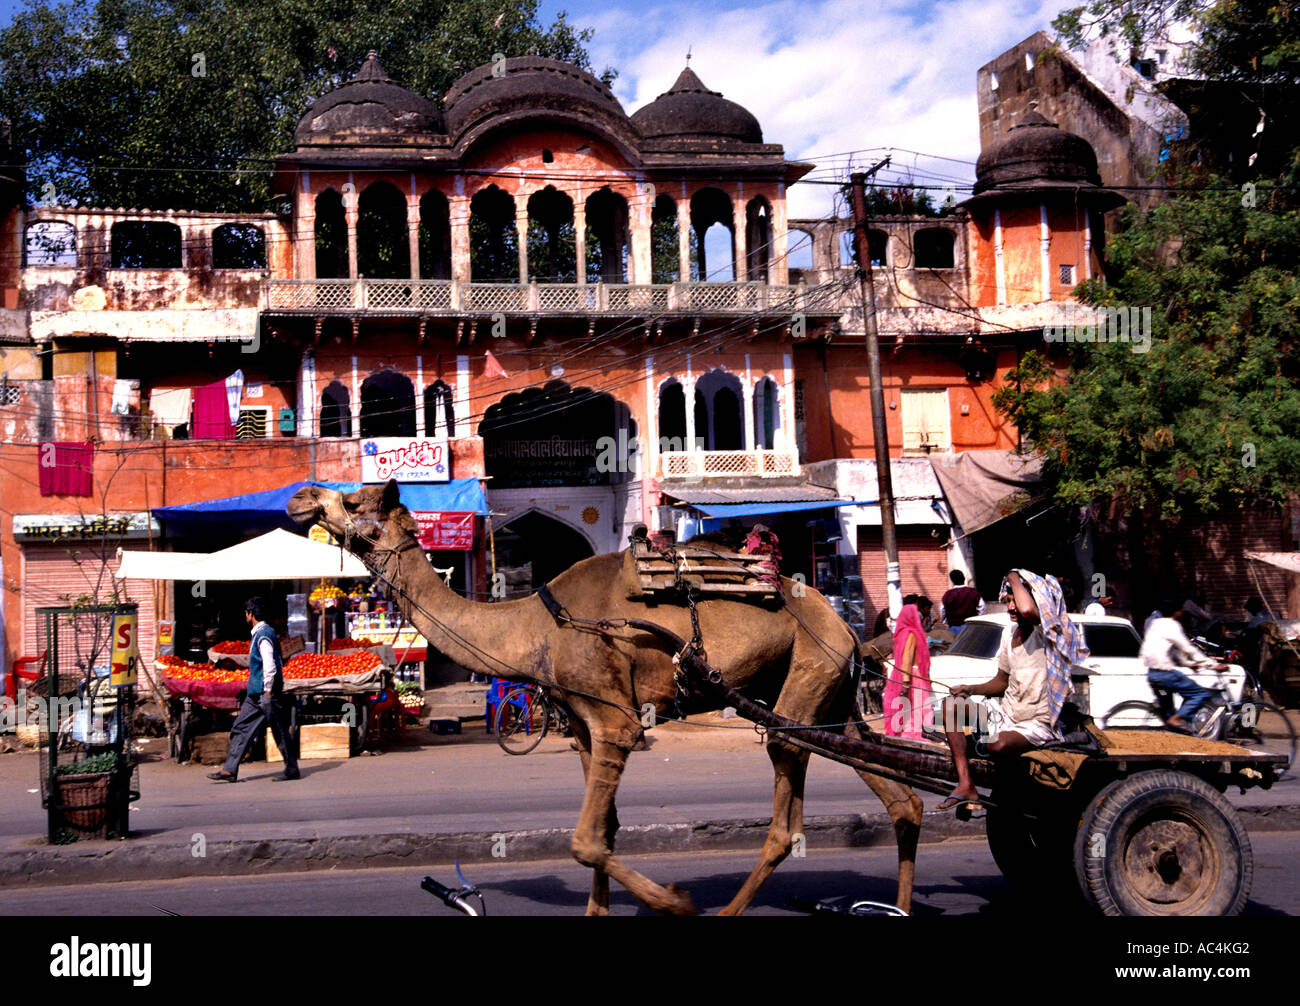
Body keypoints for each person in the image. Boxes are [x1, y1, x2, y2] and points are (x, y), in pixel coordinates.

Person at [938, 569, 1088, 810]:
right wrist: (970, 688)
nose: (1011, 608)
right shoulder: (1009, 635)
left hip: (1038, 724)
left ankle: (978, 748)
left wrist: (1012, 576)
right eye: (1008, 601)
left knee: (997, 745)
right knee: (950, 708)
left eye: (1015, 601)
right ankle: (966, 784)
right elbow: (1001, 681)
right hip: (1007, 717)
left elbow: (1029, 610)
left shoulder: (1047, 632)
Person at [209, 597, 299, 783]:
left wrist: (267, 690)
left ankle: (291, 768)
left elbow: (270, 664)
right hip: (256, 693)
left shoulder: (264, 634)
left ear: (250, 613)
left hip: (265, 693)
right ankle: (229, 769)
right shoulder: (260, 633)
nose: (245, 616)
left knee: (279, 730)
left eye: (246, 613)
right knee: (241, 727)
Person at [1140, 609, 1227, 731]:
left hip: (1152, 673)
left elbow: (1173, 651)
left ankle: (1174, 728)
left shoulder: (1155, 623)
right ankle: (1177, 718)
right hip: (1164, 673)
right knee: (1200, 694)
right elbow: (1187, 648)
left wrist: (1188, 664)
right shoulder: (1172, 625)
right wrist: (1213, 664)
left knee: (1168, 716)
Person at [882, 603, 933, 739]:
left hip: (905, 674)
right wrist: (905, 682)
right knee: (913, 706)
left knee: (907, 707)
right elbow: (907, 659)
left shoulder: (903, 634)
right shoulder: (911, 634)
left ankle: (907, 732)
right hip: (912, 676)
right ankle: (911, 734)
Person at [940, 570, 984, 634]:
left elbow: (942, 610)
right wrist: (977, 619)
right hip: (970, 626)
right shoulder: (973, 592)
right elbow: (982, 606)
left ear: (952, 581)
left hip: (953, 627)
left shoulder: (948, 594)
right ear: (964, 578)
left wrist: (946, 621)